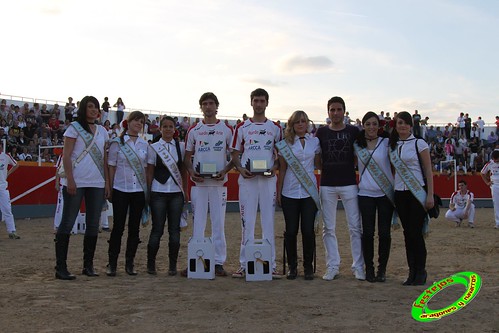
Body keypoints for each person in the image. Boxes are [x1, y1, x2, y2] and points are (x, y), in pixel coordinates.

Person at [54, 96, 109, 280]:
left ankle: (88, 265)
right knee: (68, 222)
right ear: (84, 109)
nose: (94, 110)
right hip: (76, 180)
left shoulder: (103, 131)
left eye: (96, 107)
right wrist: (70, 179)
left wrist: (107, 182)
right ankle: (61, 267)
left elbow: (105, 159)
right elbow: (67, 155)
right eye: (90, 107)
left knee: (93, 224)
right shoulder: (73, 128)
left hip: (97, 182)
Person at [230, 88, 282, 278]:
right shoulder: (241, 127)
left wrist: (275, 167)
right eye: (256, 101)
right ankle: (244, 264)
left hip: (268, 180)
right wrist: (240, 168)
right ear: (251, 103)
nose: (259, 104)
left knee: (268, 221)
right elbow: (234, 154)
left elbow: (281, 154)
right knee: (247, 222)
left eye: (262, 101)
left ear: (267, 103)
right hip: (248, 180)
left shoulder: (276, 128)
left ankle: (272, 264)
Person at [183, 92, 234, 277]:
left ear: (216, 106)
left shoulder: (227, 129)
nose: (208, 106)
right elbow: (187, 158)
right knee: (198, 224)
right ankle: (195, 260)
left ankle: (218, 262)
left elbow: (233, 157)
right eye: (204, 103)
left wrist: (225, 170)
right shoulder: (194, 130)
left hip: (219, 184)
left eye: (211, 103)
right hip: (200, 184)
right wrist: (191, 172)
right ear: (201, 107)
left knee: (218, 223)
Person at [315, 96, 364, 281]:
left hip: (349, 183)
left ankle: (358, 266)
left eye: (338, 110)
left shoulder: (353, 131)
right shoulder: (320, 132)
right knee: (329, 228)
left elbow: (358, 155)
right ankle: (332, 265)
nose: (335, 113)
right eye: (332, 110)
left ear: (344, 111)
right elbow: (318, 158)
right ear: (328, 112)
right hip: (327, 184)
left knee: (354, 227)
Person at [389, 111, 434, 286]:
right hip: (400, 193)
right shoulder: (393, 145)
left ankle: (421, 271)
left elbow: (428, 170)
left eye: (406, 123)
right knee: (407, 234)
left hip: (417, 193)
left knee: (416, 233)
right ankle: (412, 271)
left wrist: (430, 195)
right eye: (399, 123)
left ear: (411, 125)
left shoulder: (419, 143)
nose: (402, 126)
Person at [276, 110, 321, 280]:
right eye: (297, 122)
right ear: (292, 125)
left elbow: (318, 164)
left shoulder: (315, 141)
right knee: (291, 231)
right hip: (290, 191)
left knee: (308, 231)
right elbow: (282, 169)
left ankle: (308, 267)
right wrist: (279, 192)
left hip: (309, 192)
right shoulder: (285, 144)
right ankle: (292, 267)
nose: (301, 124)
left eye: (303, 121)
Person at [106, 111, 151, 276]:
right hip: (120, 188)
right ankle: (112, 263)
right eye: (136, 121)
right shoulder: (117, 143)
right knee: (118, 227)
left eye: (141, 122)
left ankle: (129, 263)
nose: (139, 124)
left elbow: (146, 170)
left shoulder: (145, 145)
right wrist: (109, 187)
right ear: (128, 122)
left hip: (138, 190)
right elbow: (111, 166)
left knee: (134, 228)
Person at [354, 112, 394, 283]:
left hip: (385, 193)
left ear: (379, 126)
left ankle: (382, 269)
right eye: (368, 124)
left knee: (384, 233)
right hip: (365, 194)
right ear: (363, 125)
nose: (371, 127)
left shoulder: (387, 143)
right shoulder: (357, 145)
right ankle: (369, 268)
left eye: (374, 124)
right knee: (368, 233)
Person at [146, 116, 188, 276]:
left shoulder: (181, 146)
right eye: (165, 126)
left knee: (175, 231)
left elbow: (183, 170)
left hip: (176, 193)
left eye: (171, 126)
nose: (168, 129)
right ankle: (151, 264)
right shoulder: (154, 147)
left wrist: (185, 189)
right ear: (160, 128)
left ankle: (172, 265)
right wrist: (148, 191)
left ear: (175, 129)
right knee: (157, 230)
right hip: (158, 191)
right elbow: (150, 170)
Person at [0, 143, 20, 239]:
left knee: (7, 209)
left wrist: (8, 173)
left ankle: (12, 231)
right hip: (3, 186)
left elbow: (16, 165)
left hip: (2, 186)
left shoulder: (6, 156)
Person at [480, 150, 499, 229]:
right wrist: (487, 182)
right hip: (495, 185)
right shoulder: (490, 164)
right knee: (496, 204)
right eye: (494, 159)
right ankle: (498, 223)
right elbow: (482, 173)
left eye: (497, 159)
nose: (495, 161)